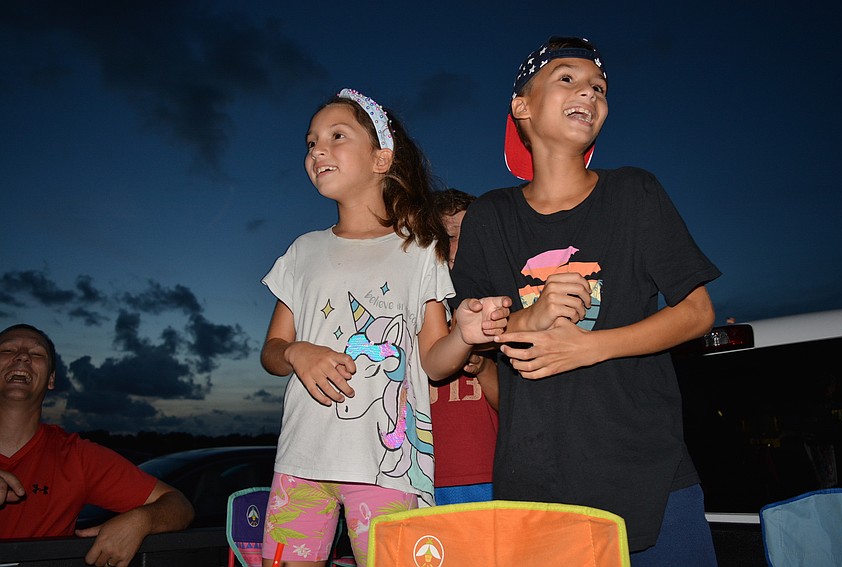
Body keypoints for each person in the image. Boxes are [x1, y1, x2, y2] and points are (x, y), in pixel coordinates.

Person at [448, 37, 722, 565]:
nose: (590, 93)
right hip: (536, 479)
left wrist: (589, 347)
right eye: (567, 79)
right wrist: (534, 315)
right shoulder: (490, 217)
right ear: (522, 107)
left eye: (599, 87)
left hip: (651, 472)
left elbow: (697, 312)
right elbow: (478, 329)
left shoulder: (634, 192)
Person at [259, 88, 510, 566]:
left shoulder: (419, 252)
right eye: (311, 142)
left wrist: (464, 335)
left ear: (381, 158)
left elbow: (434, 363)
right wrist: (297, 353)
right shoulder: (301, 251)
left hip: (388, 471)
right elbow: (272, 349)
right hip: (299, 462)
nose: (317, 150)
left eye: (337, 136)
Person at [0, 324, 194, 567]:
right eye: (7, 350)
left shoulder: (77, 457)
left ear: (51, 379)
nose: (22, 356)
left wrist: (141, 521)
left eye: (37, 354)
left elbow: (179, 505)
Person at [430, 189, 499, 505]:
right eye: (448, 235)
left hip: (488, 478)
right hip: (416, 479)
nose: (459, 247)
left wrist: (484, 367)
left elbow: (514, 406)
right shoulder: (407, 313)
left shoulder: (502, 310)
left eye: (469, 235)